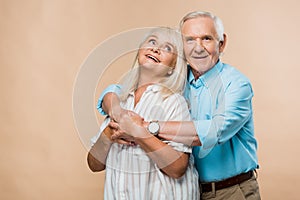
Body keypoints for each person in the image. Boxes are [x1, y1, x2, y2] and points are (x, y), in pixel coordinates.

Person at [97, 11, 261, 200]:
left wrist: (144, 127)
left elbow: (215, 130)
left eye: (206, 39)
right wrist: (118, 111)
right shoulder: (176, 81)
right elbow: (116, 90)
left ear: (221, 43)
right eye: (189, 40)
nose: (198, 48)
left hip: (231, 190)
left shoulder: (236, 84)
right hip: (191, 189)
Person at [87, 27, 200, 200]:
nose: (156, 48)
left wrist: (138, 133)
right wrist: (109, 133)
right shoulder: (120, 102)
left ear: (172, 67)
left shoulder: (173, 102)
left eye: (167, 48)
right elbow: (94, 164)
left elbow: (177, 168)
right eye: (152, 41)